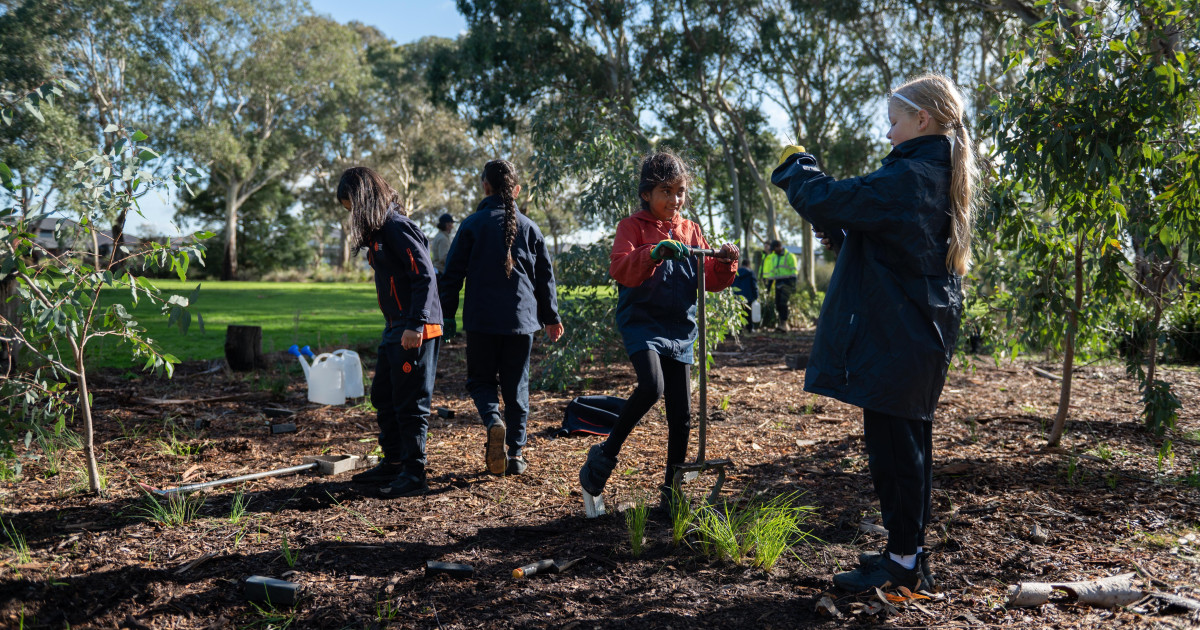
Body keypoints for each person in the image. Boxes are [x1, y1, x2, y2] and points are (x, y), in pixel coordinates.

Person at [770, 73, 978, 592]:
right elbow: (893, 251)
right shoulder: (930, 173)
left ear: (921, 120)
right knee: (907, 448)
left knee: (895, 454)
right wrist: (845, 234)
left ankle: (903, 566)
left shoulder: (911, 176)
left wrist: (797, 168)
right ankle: (907, 555)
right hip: (913, 330)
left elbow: (827, 198)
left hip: (901, 336)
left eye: (893, 122)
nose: (888, 134)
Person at [578, 150, 739, 509]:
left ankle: (672, 491)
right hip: (643, 324)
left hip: (680, 328)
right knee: (652, 386)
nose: (675, 199)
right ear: (646, 194)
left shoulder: (690, 229)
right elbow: (621, 269)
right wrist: (652, 253)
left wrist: (726, 262)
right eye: (666, 191)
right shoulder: (632, 227)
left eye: (680, 191)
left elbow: (709, 279)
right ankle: (604, 454)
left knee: (681, 416)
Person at [440, 159, 564, 476]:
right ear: (517, 190)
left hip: (481, 320)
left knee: (480, 381)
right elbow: (544, 278)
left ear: (485, 186)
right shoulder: (531, 228)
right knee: (516, 386)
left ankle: (493, 420)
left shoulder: (471, 225)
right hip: (522, 323)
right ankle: (517, 454)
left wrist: (447, 316)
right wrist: (551, 317)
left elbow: (451, 275)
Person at [337, 166, 442, 498]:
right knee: (383, 396)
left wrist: (415, 324)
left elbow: (425, 275)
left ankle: (415, 474)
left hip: (415, 328)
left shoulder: (397, 228)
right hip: (394, 327)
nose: (352, 215)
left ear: (364, 198)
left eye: (352, 206)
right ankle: (394, 461)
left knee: (410, 403)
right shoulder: (379, 233)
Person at [761, 239, 798, 330]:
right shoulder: (774, 257)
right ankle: (782, 324)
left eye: (774, 249)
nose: (773, 252)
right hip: (778, 283)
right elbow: (772, 274)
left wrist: (793, 285)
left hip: (787, 283)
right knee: (777, 304)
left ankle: (784, 325)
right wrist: (768, 287)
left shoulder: (790, 256)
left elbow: (794, 272)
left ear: (779, 246)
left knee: (783, 303)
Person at [732, 258, 760, 331]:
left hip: (737, 296)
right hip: (748, 296)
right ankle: (749, 328)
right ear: (748, 265)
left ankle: (739, 329)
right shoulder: (750, 273)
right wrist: (756, 296)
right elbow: (754, 286)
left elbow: (732, 284)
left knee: (739, 313)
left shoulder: (736, 272)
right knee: (748, 313)